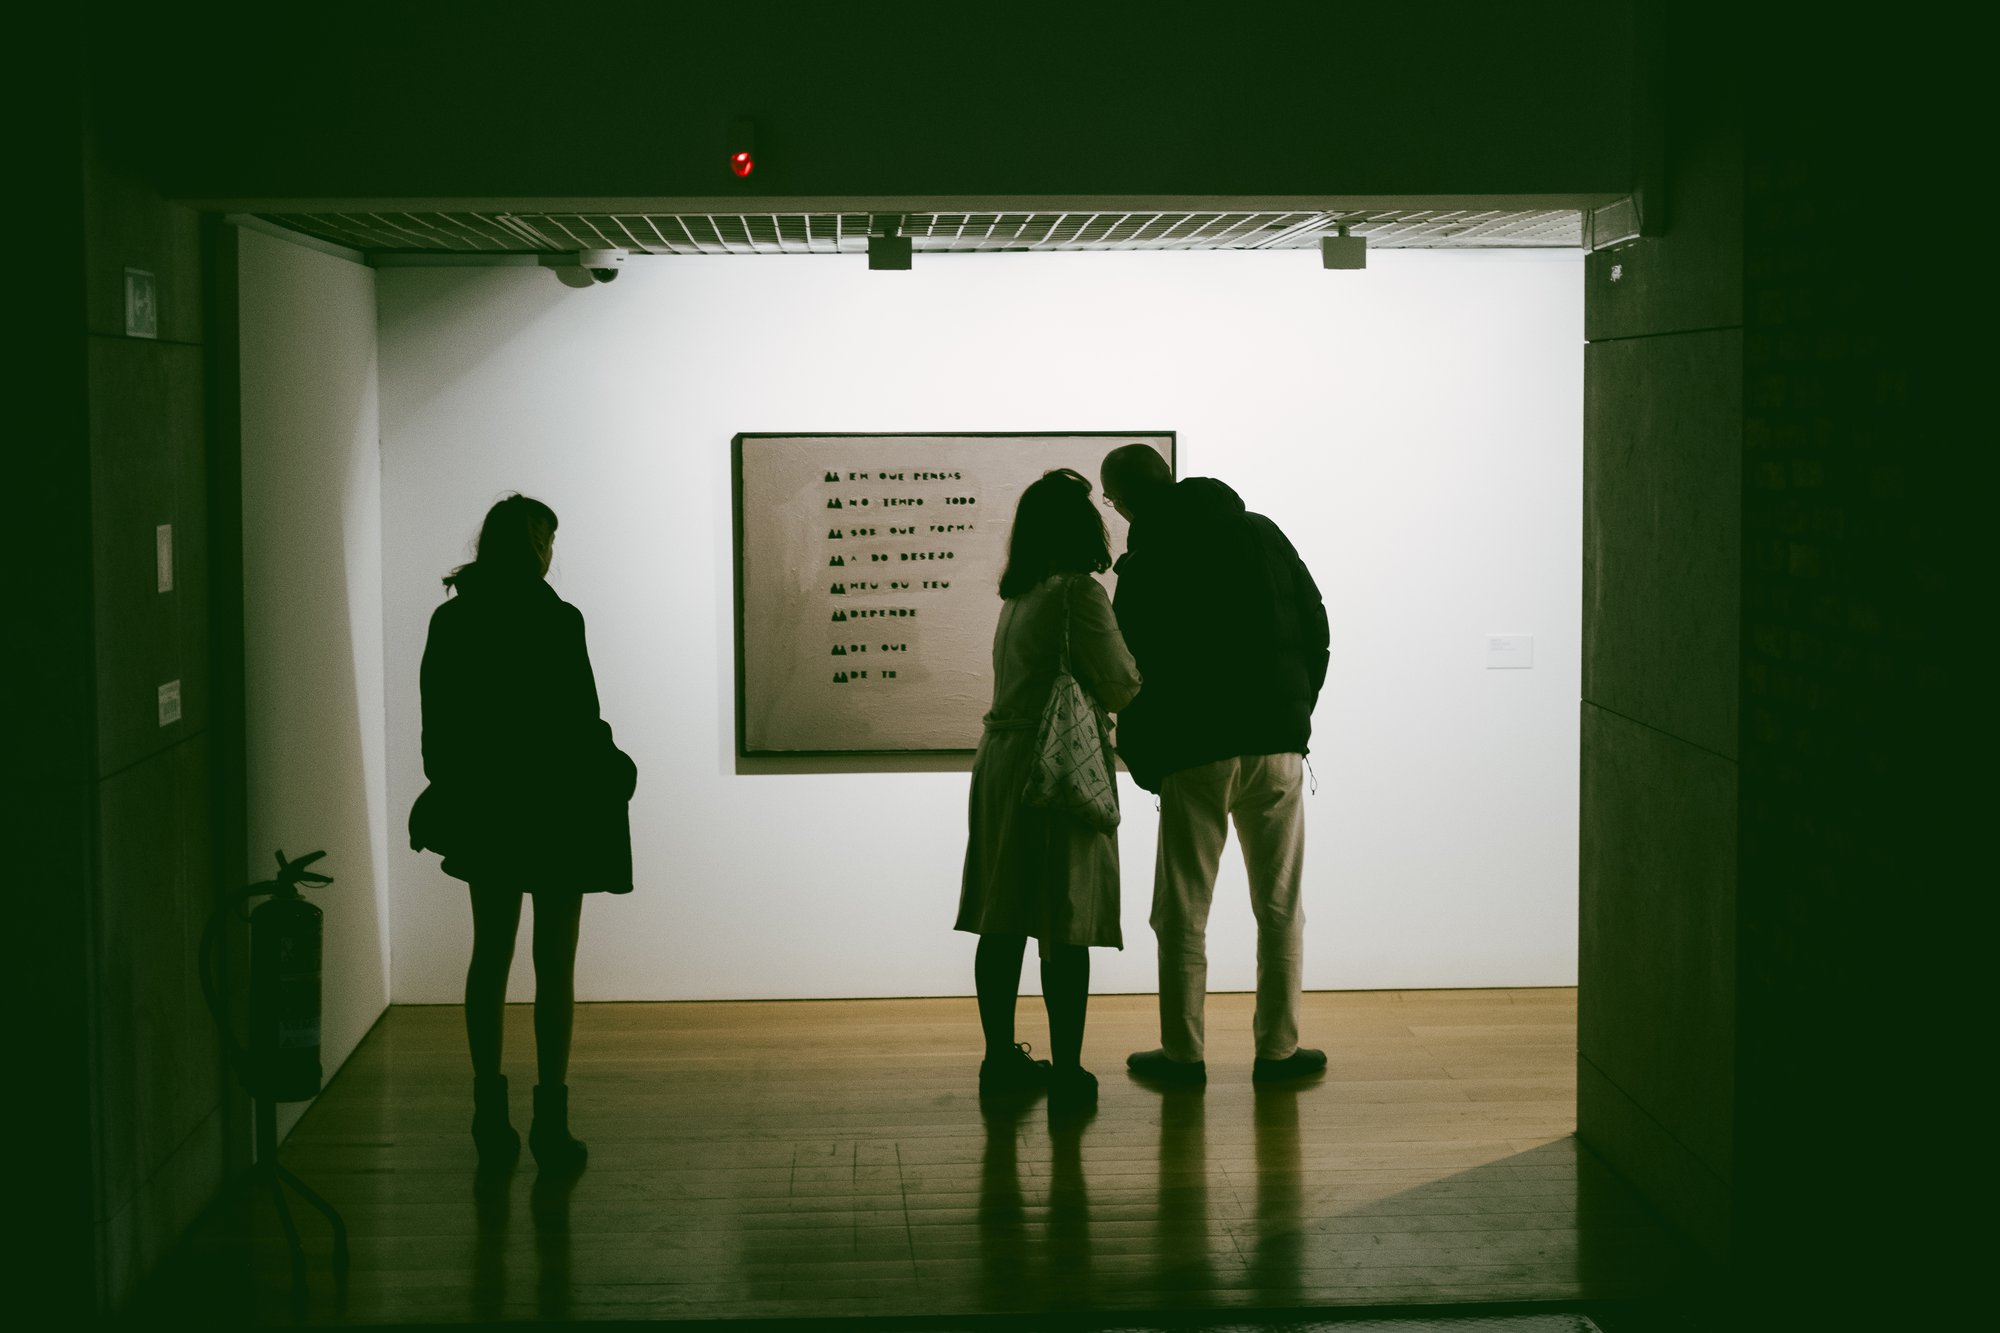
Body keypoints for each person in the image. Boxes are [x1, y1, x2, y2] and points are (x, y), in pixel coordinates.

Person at [409, 493, 638, 1170]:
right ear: (531, 545)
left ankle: (489, 1114)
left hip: (489, 812)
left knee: (490, 957)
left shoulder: (453, 620)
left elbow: (438, 729)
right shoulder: (557, 618)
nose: (548, 552)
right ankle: (550, 1121)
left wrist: (463, 785)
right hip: (559, 810)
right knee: (554, 966)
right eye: (545, 539)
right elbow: (581, 720)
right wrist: (616, 768)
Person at [1097, 444, 1330, 1086]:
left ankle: (1183, 1056)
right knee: (1280, 905)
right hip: (1276, 747)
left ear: (1122, 501)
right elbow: (1316, 625)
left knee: (1182, 910)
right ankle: (1278, 1053)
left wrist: (1147, 759)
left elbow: (1128, 667)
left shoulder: (1146, 561)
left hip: (1194, 754)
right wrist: (1294, 714)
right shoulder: (1259, 532)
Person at [957, 468, 1141, 1110]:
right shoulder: (1078, 595)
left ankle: (998, 1059)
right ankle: (1067, 1070)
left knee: (1001, 916)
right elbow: (1119, 683)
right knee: (1066, 915)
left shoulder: (1020, 597)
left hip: (1003, 759)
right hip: (1055, 767)